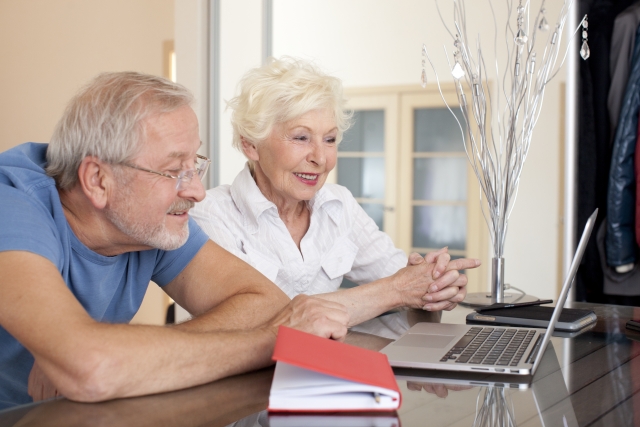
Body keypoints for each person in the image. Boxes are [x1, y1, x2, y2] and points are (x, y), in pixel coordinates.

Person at [0, 72, 349, 409]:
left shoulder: (148, 225)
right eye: (172, 171)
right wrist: (275, 340)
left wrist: (120, 356)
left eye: (194, 164)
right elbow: (91, 368)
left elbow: (263, 303)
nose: (196, 191)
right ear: (97, 180)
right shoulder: (12, 205)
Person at [190, 57, 481, 327]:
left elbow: (400, 279)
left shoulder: (338, 203)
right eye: (301, 137)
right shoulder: (210, 213)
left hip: (330, 371)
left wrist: (434, 281)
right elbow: (268, 323)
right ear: (251, 145)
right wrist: (396, 290)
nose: (320, 157)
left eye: (330, 139)